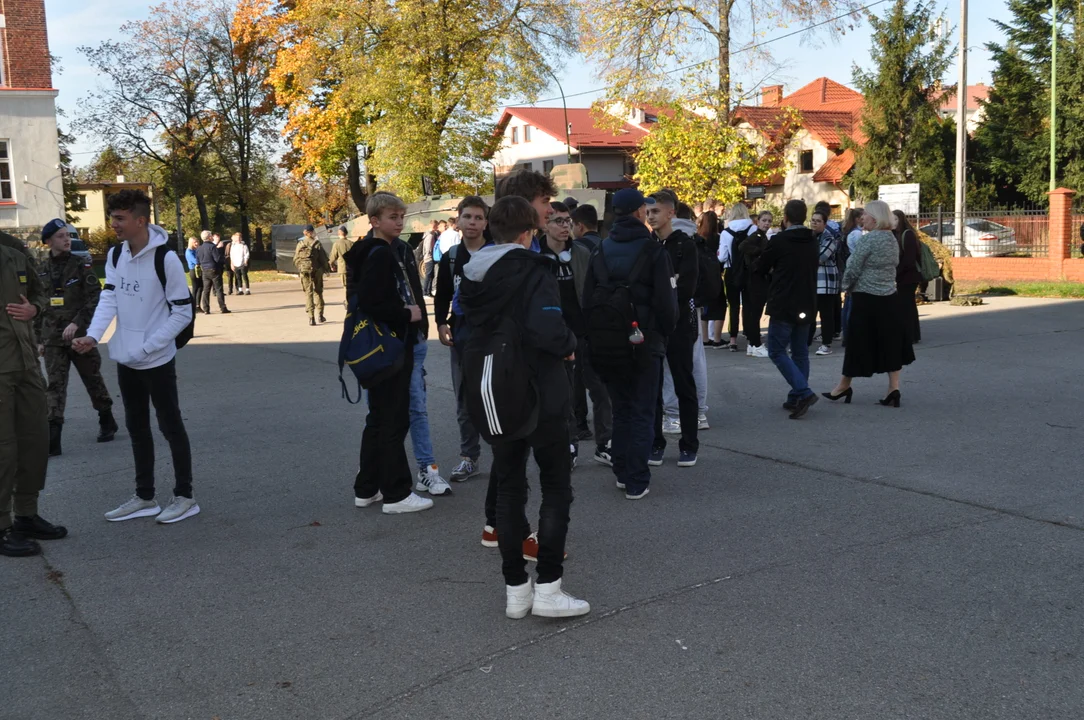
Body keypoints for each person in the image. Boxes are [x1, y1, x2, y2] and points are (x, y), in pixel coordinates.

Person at [458, 195, 588, 619]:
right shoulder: (535, 269)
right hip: (540, 390)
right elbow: (550, 330)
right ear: (528, 232)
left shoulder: (471, 276)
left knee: (510, 488)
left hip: (494, 392)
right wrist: (569, 345)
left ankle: (516, 588)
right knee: (555, 488)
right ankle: (548, 588)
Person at [74, 189, 198, 524]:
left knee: (170, 426)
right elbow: (110, 299)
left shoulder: (166, 259)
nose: (112, 223)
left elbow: (183, 313)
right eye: (112, 217)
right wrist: (93, 335)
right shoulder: (116, 256)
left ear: (140, 220)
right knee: (137, 427)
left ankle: (185, 496)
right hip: (126, 358)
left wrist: (149, 346)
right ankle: (145, 497)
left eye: (119, 218)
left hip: (155, 359)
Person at [582, 188, 677, 499]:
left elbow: (587, 299)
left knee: (620, 407)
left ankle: (622, 470)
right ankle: (637, 478)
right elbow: (666, 303)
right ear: (638, 212)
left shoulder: (600, 249)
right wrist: (664, 334)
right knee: (643, 410)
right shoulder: (653, 251)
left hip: (607, 341)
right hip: (645, 339)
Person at [344, 193, 433, 514]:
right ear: (374, 220)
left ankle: (366, 488)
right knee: (393, 420)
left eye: (401, 216)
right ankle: (396, 493)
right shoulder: (380, 253)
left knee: (379, 419)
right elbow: (372, 301)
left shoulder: (370, 250)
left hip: (380, 348)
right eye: (392, 217)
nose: (399, 222)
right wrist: (406, 313)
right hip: (391, 345)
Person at [1, 233, 66, 556]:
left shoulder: (12, 248)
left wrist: (35, 310)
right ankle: (1, 525)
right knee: (3, 448)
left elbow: (39, 294)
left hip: (25, 362)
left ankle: (25, 514)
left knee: (34, 441)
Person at [33, 218, 118, 456]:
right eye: (61, 236)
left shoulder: (82, 265)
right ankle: (54, 435)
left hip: (79, 337)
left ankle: (106, 418)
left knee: (92, 379)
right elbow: (37, 305)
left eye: (68, 235)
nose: (67, 239)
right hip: (52, 338)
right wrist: (37, 338)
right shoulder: (40, 269)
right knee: (55, 386)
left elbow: (95, 298)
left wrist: (77, 323)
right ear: (48, 241)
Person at [540, 201, 613, 470]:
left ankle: (605, 443)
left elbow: (597, 289)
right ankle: (569, 444)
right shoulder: (536, 256)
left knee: (600, 390)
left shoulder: (582, 252)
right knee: (565, 395)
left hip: (586, 333)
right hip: (557, 337)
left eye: (567, 221)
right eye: (558, 221)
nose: (564, 226)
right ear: (545, 224)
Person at [823, 201, 915, 406]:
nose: (862, 218)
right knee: (891, 342)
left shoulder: (869, 240)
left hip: (866, 297)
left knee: (857, 343)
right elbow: (896, 264)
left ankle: (843, 386)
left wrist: (845, 286)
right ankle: (894, 388)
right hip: (889, 296)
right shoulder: (891, 238)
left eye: (865, 215)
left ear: (874, 217)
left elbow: (853, 267)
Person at [435, 196, 490, 484]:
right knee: (464, 399)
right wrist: (441, 323)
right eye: (467, 217)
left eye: (478, 217)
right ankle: (469, 457)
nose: (472, 222)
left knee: (496, 396)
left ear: (486, 222)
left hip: (493, 339)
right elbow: (442, 293)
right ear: (458, 220)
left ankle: (505, 454)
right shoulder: (452, 256)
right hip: (461, 337)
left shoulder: (496, 254)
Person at [646, 190, 699, 467]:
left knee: (683, 383)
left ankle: (689, 444)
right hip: (654, 326)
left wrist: (665, 285)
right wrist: (669, 282)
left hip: (679, 324)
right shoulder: (648, 245)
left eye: (656, 211)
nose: (651, 216)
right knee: (652, 386)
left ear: (671, 213)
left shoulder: (684, 245)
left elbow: (686, 287)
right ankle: (656, 441)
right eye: (648, 212)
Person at [755, 199, 819, 419]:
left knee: (776, 350)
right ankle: (797, 395)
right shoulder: (813, 239)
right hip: (808, 301)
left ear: (785, 217)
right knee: (800, 351)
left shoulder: (780, 240)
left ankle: (803, 391)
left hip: (784, 301)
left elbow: (762, 265)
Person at [494, 169, 557, 252]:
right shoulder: (494, 260)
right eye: (545, 201)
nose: (551, 210)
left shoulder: (535, 248)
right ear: (524, 203)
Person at [718, 204, 754, 351]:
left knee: (733, 306)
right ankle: (751, 336)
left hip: (731, 272)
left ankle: (733, 340)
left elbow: (722, 257)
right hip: (749, 271)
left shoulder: (726, 233)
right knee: (749, 304)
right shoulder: (753, 229)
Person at [737, 211, 772, 358]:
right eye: (764, 220)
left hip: (755, 278)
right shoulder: (756, 236)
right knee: (754, 313)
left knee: (753, 313)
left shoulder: (762, 236)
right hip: (756, 279)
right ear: (757, 221)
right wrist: (760, 253)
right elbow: (742, 246)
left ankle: (752, 344)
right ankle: (756, 344)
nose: (766, 223)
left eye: (769, 221)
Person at [808, 209, 841, 356]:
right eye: (813, 220)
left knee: (826, 315)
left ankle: (826, 343)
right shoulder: (809, 237)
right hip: (812, 282)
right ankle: (804, 342)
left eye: (818, 221)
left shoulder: (829, 238)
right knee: (809, 315)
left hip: (826, 282)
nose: (814, 223)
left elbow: (820, 257)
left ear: (824, 223)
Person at [892, 210, 922, 344]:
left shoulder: (907, 234)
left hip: (909, 276)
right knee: (908, 305)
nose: (893, 222)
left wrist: (896, 273)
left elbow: (909, 260)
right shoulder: (895, 234)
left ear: (901, 220)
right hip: (903, 275)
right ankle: (912, 334)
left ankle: (909, 335)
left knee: (905, 305)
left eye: (895, 219)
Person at [696, 210, 725, 346]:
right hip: (715, 274)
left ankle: (705, 338)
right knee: (720, 306)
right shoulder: (719, 238)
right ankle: (717, 339)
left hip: (702, 275)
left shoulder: (698, 238)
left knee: (704, 307)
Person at [294, 225, 329, 326]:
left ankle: (311, 318)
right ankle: (320, 315)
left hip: (304, 271)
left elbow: (295, 259)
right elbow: (323, 259)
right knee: (318, 292)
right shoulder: (317, 243)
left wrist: (301, 268)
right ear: (311, 232)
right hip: (317, 270)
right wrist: (326, 269)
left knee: (308, 293)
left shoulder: (300, 244)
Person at [840, 208, 864, 345]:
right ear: (857, 219)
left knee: (848, 303)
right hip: (856, 267)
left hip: (850, 266)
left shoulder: (850, 233)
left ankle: (846, 334)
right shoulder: (857, 234)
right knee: (851, 304)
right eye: (862, 217)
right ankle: (849, 335)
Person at [196, 231, 229, 314]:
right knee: (218, 289)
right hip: (214, 269)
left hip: (205, 270)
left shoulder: (199, 248)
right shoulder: (212, 247)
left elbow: (197, 260)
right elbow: (217, 259)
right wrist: (224, 259)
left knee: (206, 290)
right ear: (209, 237)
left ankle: (206, 309)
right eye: (211, 236)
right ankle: (222, 307)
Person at [329, 225, 353, 297]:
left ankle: (348, 301)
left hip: (342, 269)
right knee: (352, 286)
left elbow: (333, 257)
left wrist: (331, 264)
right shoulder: (352, 243)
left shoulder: (336, 244)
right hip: (352, 268)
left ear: (339, 233)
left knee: (345, 286)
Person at [420, 221, 439, 296]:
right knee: (428, 275)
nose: (437, 228)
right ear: (434, 226)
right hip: (429, 258)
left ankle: (428, 291)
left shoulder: (429, 234)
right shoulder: (430, 236)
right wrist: (430, 255)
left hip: (429, 257)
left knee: (431, 275)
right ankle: (425, 291)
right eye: (436, 226)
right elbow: (428, 248)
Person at [185, 236, 203, 310]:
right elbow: (196, 261)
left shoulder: (196, 250)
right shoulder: (189, 251)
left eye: (197, 242)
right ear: (191, 243)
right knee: (195, 288)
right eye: (195, 242)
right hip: (193, 270)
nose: (196, 243)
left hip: (198, 270)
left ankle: (197, 305)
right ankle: (193, 306)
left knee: (200, 287)